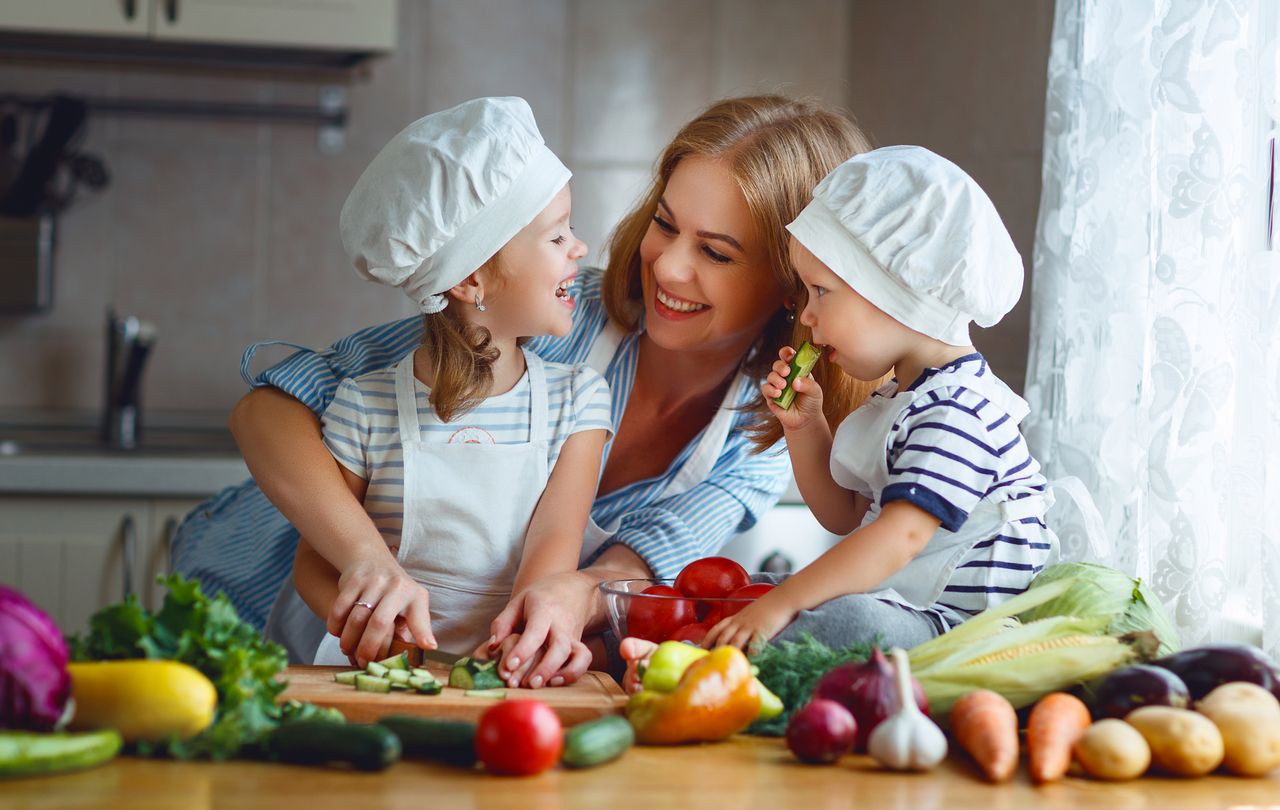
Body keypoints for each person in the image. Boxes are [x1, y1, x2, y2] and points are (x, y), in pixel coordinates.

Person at [171, 95, 880, 687]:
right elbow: (269, 409)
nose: (667, 266)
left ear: (794, 282)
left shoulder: (769, 426)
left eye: (716, 253)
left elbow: (649, 550)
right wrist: (364, 560)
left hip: (437, 667)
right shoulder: (553, 311)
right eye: (665, 224)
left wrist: (574, 598)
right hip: (263, 594)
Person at [290, 97, 614, 665]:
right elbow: (314, 565)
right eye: (557, 236)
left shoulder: (578, 400)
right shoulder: (364, 406)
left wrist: (514, 649)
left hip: (505, 670)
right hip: (376, 675)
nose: (580, 248)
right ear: (470, 279)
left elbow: (551, 550)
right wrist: (373, 635)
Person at [702, 145, 1059, 655]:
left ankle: (726, 666)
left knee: (844, 619)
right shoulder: (905, 398)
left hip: (965, 631)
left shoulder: (958, 411)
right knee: (788, 598)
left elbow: (900, 538)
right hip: (916, 611)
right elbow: (847, 517)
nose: (806, 315)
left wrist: (783, 603)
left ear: (896, 292)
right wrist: (806, 428)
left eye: (820, 291)